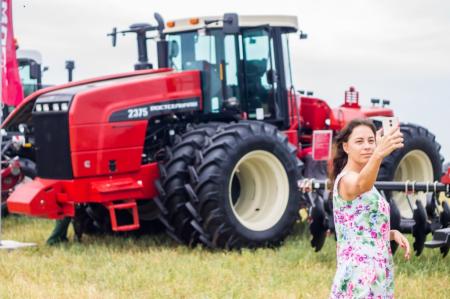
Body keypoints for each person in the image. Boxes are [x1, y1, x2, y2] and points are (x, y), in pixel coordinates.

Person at [328, 119, 410, 298]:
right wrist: (378, 154)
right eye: (359, 141)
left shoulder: (366, 181)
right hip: (360, 273)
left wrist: (391, 233)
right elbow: (361, 184)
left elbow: (361, 230)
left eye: (371, 141)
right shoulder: (347, 180)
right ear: (346, 147)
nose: (367, 146)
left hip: (376, 270)